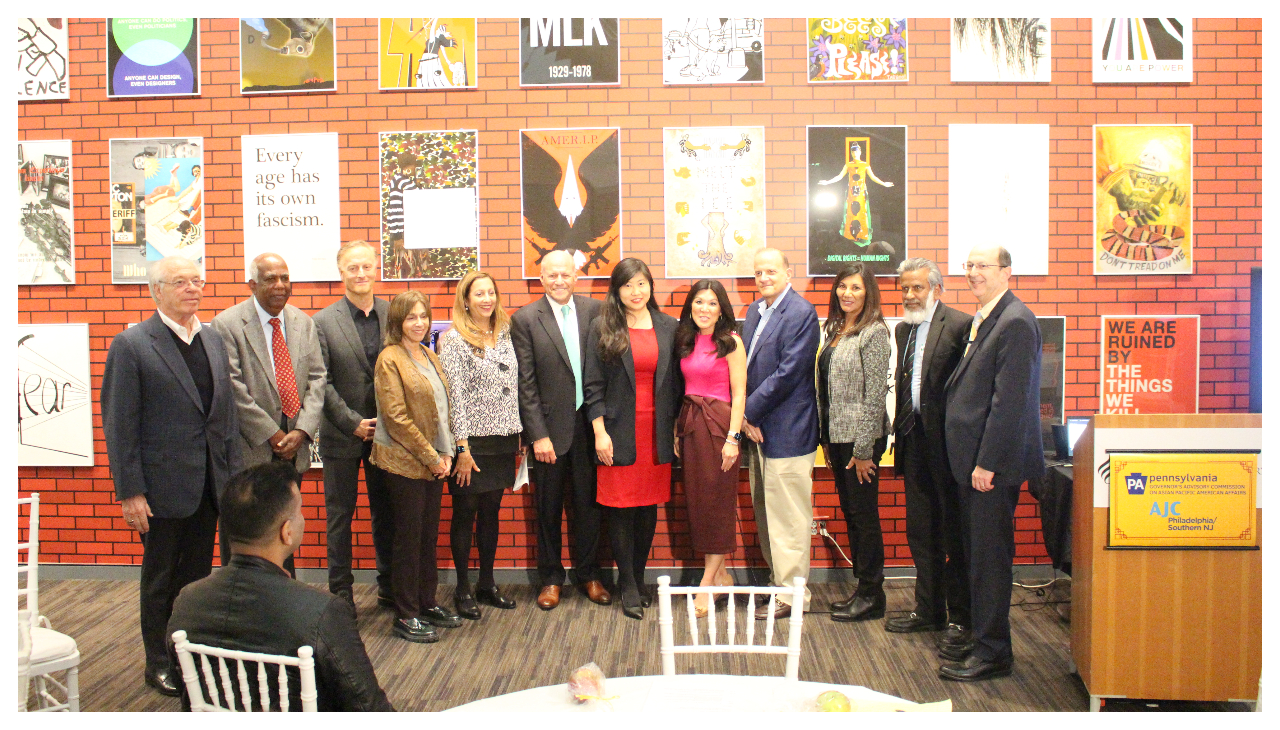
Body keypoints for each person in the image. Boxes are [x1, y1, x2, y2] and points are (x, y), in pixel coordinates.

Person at [102, 256, 241, 696]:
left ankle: (191, 654)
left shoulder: (213, 339)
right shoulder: (132, 345)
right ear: (155, 290)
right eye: (180, 282)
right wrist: (130, 492)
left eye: (197, 280)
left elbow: (225, 416)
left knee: (197, 578)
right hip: (161, 490)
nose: (192, 289)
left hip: (209, 485)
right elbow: (120, 424)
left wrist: (232, 479)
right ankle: (158, 661)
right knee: (161, 578)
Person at [166, 462, 394, 712]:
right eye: (300, 512)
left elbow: (187, 690)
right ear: (287, 532)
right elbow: (370, 709)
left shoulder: (187, 601)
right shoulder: (323, 612)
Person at [940, 245, 1044, 682]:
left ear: (1007, 270)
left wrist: (988, 463)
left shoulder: (1015, 322)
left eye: (983, 266)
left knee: (989, 561)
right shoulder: (989, 317)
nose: (973, 273)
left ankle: (993, 652)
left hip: (988, 469)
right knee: (974, 558)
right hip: (970, 466)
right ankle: (981, 638)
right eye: (969, 266)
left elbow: (1010, 403)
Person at [211, 252, 326, 572]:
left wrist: (301, 431)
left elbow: (317, 378)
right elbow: (232, 388)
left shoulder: (303, 322)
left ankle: (278, 595)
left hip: (293, 449)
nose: (280, 285)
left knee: (284, 527)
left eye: (285, 278)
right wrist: (274, 434)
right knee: (245, 530)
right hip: (252, 450)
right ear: (252, 284)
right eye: (271, 279)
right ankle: (239, 596)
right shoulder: (227, 324)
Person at [510, 250, 611, 610]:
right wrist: (537, 434)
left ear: (576, 276)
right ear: (541, 279)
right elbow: (526, 383)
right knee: (548, 509)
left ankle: (588, 574)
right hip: (548, 432)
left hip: (589, 426)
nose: (558, 281)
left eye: (565, 274)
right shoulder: (524, 319)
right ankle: (551, 578)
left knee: (588, 507)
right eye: (551, 275)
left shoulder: (595, 312)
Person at [583, 258, 681, 620]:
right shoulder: (602, 327)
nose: (636, 292)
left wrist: (673, 430)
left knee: (647, 508)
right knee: (621, 509)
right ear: (617, 290)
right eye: (628, 285)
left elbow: (675, 384)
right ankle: (627, 583)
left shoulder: (669, 327)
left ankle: (639, 577)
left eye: (642, 284)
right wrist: (599, 432)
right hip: (617, 429)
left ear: (650, 286)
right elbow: (592, 384)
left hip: (655, 431)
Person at [884, 258, 972, 641]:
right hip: (913, 439)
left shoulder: (960, 325)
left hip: (949, 447)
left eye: (917, 287)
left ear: (936, 288)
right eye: (904, 288)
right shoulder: (903, 329)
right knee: (921, 531)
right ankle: (929, 609)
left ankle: (960, 616)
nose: (909, 295)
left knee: (954, 533)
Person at [370, 291, 460, 643]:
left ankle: (426, 601)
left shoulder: (429, 355)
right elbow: (395, 419)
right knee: (408, 539)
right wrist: (432, 455)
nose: (419, 323)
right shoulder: (389, 359)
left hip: (435, 462)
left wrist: (447, 453)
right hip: (405, 464)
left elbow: (443, 409)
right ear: (397, 322)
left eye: (423, 316)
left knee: (427, 536)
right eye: (411, 317)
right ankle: (406, 613)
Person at [313, 241, 396, 612]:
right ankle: (341, 595)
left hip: (388, 435)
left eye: (366, 266)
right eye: (352, 268)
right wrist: (353, 423)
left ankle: (389, 586)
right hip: (342, 434)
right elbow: (320, 381)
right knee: (339, 518)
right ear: (341, 272)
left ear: (376, 268)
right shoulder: (322, 321)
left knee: (387, 513)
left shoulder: (393, 314)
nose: (360, 274)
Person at [741, 248, 821, 620]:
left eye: (771, 270)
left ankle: (793, 595)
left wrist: (747, 411)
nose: (763, 277)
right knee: (766, 514)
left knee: (789, 517)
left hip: (788, 430)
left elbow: (789, 373)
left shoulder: (802, 313)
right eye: (758, 272)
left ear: (789, 271)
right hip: (756, 432)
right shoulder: (754, 312)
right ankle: (778, 585)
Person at [438, 271, 522, 619]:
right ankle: (462, 588)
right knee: (465, 513)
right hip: (471, 442)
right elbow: (453, 396)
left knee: (491, 513)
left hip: (503, 439)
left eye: (491, 292)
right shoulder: (453, 340)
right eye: (479, 294)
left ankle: (487, 583)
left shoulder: (506, 332)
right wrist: (461, 447)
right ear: (466, 300)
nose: (486, 299)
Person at [817, 263, 892, 623]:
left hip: (863, 440)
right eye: (843, 286)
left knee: (864, 517)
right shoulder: (836, 329)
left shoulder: (874, 332)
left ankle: (872, 594)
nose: (847, 293)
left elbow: (876, 395)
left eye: (856, 288)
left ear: (869, 293)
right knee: (852, 513)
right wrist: (828, 441)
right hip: (838, 436)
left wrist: (863, 451)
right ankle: (862, 589)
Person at [673, 279, 746, 618]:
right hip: (691, 425)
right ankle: (721, 575)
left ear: (721, 309)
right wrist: (677, 429)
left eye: (712, 303)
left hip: (719, 427)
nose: (704, 308)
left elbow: (740, 393)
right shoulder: (686, 342)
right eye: (699, 302)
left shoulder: (731, 343)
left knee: (717, 502)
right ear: (691, 307)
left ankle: (706, 584)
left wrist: (734, 438)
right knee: (700, 503)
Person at [817, 141, 895, 245]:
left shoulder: (865, 165)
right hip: (851, 192)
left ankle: (862, 235)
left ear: (860, 152)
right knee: (850, 213)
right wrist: (827, 182)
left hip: (861, 192)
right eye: (853, 152)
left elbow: (873, 177)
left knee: (862, 213)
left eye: (856, 151)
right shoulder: (848, 164)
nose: (854, 153)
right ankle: (850, 235)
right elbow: (839, 176)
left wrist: (884, 183)